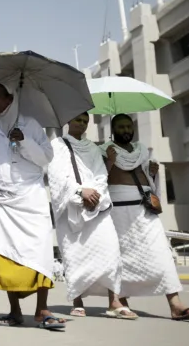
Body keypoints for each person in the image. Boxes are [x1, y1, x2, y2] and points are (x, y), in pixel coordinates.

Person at [0, 81, 65, 329]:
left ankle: (42, 310)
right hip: (1, 202)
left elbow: (46, 158)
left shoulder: (31, 125)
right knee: (6, 252)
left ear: (11, 99)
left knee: (40, 253)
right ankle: (14, 311)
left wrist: (24, 141)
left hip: (31, 199)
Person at [103, 114, 189, 321]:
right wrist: (110, 162)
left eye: (128, 126)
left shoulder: (141, 150)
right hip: (118, 212)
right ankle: (121, 303)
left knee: (162, 254)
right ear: (113, 130)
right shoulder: (104, 151)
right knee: (120, 259)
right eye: (121, 127)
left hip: (144, 209)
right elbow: (98, 179)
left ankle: (176, 305)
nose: (125, 130)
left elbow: (149, 183)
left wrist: (152, 173)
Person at [47, 113, 127, 319]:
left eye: (85, 121)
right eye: (77, 120)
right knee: (75, 255)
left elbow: (101, 175)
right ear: (68, 122)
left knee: (111, 251)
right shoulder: (57, 145)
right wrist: (80, 192)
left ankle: (114, 301)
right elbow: (56, 178)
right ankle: (77, 299)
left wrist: (94, 194)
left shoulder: (92, 148)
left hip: (97, 206)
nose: (81, 124)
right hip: (71, 208)